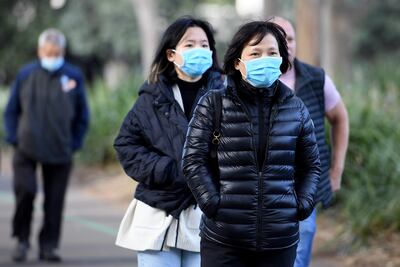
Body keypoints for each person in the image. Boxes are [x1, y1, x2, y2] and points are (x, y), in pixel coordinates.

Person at [182, 20, 321, 267]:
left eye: (272, 53)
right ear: (238, 62)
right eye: (255, 53)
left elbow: (311, 165)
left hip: (280, 241)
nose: (264, 59)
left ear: (281, 60)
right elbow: (193, 161)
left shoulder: (296, 108)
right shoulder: (212, 104)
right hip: (223, 239)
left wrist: (302, 205)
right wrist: (213, 204)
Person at [113, 16, 224, 267]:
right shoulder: (151, 98)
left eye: (205, 45)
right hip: (157, 216)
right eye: (190, 45)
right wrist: (167, 170)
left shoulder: (226, 97)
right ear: (172, 54)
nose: (200, 51)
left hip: (207, 215)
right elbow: (126, 145)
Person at [4, 28, 89, 262]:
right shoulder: (25, 74)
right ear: (40, 51)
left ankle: (48, 246)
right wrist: (13, 138)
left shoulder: (73, 76)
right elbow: (11, 111)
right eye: (48, 51)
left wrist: (74, 143)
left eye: (57, 52)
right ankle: (21, 240)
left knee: (54, 201)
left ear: (62, 51)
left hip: (60, 150)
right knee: (26, 192)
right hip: (26, 148)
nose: (52, 56)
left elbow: (83, 114)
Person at [271, 16, 349, 267]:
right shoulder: (248, 80)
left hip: (305, 188)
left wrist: (336, 171)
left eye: (290, 38)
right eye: (280, 38)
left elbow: (340, 118)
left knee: (299, 256)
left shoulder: (316, 78)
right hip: (261, 190)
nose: (287, 44)